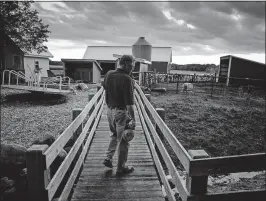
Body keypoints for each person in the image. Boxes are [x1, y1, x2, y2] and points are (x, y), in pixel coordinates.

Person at [102, 54, 136, 176]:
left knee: (115, 134)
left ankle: (108, 158)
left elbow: (105, 86)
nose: (133, 68)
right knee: (124, 140)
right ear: (127, 64)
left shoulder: (109, 74)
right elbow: (129, 105)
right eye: (133, 65)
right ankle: (121, 168)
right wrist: (133, 119)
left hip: (109, 111)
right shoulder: (127, 80)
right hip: (121, 112)